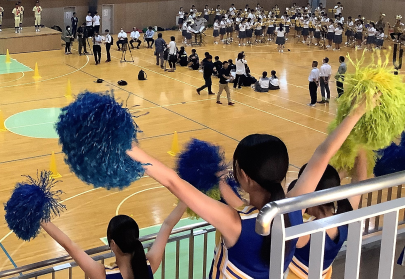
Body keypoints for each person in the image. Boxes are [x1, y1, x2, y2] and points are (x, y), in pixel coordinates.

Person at [126, 96, 373, 279]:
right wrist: (356, 113)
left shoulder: (235, 224)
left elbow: (173, 181)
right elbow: (324, 152)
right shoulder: (292, 210)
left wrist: (126, 145)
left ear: (243, 176)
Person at [41, 201, 187, 279]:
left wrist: (39, 217)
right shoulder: (149, 265)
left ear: (112, 244)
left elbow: (69, 245)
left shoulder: (103, 275)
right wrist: (189, 191)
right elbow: (167, 225)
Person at [287, 152, 366, 279]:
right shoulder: (343, 221)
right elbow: (360, 183)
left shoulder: (305, 228)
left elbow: (291, 206)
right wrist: (360, 152)